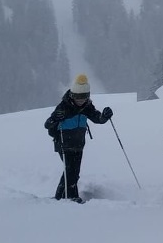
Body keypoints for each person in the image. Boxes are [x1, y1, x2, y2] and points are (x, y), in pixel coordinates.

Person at [44, 73, 113, 203]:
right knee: (70, 171)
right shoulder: (64, 106)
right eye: (77, 96)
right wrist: (56, 118)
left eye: (84, 97)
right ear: (72, 94)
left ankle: (62, 198)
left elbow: (97, 118)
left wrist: (104, 116)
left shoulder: (87, 106)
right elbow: (47, 124)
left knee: (74, 172)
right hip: (63, 143)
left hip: (78, 144)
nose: (80, 100)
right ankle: (70, 198)